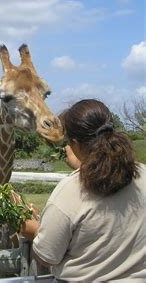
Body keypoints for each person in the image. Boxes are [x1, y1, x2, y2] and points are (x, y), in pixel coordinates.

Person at [20, 99, 145, 281]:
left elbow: (47, 257)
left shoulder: (69, 192)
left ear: (75, 144)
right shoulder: (142, 174)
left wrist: (33, 231)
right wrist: (83, 166)